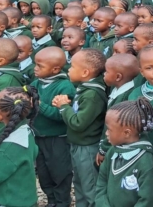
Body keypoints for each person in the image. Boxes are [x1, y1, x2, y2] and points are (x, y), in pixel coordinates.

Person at [52, 48, 108, 207]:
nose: (68, 69)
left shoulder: (92, 94)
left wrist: (64, 107)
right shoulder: (84, 88)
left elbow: (78, 123)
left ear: (85, 72)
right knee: (79, 184)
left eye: (72, 66)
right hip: (79, 145)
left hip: (87, 148)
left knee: (90, 187)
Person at [30, 47, 75, 207]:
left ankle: (62, 202)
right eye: (35, 64)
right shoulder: (36, 83)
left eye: (40, 66)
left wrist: (38, 105)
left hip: (58, 138)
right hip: (39, 136)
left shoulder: (65, 87)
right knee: (43, 173)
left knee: (60, 173)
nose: (35, 68)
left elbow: (60, 115)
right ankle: (51, 201)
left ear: (55, 69)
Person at [95, 99, 153, 207]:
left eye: (109, 130)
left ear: (127, 133)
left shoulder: (145, 161)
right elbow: (101, 183)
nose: (106, 133)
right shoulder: (112, 151)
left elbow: (147, 200)